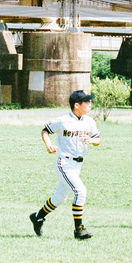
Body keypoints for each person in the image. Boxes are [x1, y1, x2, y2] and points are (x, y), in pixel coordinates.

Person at [29, 89, 99, 240]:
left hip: (78, 165)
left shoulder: (89, 121)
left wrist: (91, 141)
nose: (90, 104)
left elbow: (98, 139)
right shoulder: (63, 120)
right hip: (64, 163)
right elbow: (45, 130)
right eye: (86, 102)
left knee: (59, 198)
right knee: (80, 192)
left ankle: (37, 217)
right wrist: (48, 145)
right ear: (76, 105)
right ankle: (79, 230)